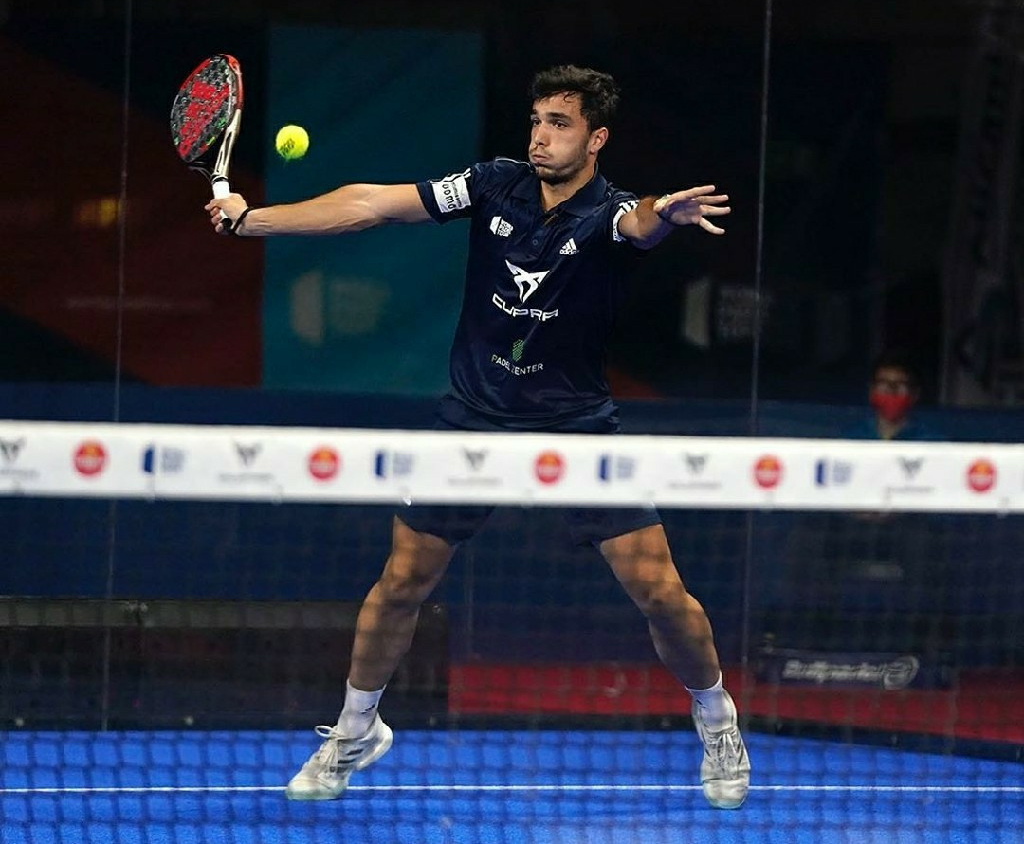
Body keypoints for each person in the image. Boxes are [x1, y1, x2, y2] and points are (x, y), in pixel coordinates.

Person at [207, 64, 750, 810]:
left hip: (576, 429)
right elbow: (372, 203)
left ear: (596, 138)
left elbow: (641, 222)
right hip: (474, 420)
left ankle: (716, 717)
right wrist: (255, 219)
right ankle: (356, 728)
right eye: (536, 120)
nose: (540, 136)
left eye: (559, 124)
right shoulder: (493, 184)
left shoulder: (608, 213)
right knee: (402, 582)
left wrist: (666, 211)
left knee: (660, 590)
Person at [846, 350, 944, 441]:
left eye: (900, 384)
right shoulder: (852, 438)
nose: (891, 390)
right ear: (871, 390)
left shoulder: (932, 441)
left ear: (915, 393)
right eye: (883, 384)